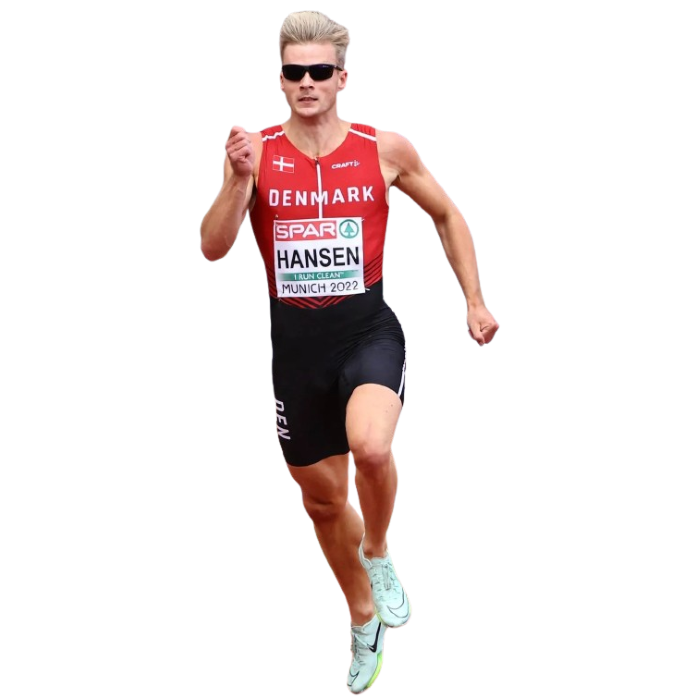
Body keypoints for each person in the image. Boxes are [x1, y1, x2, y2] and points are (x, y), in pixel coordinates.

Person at [199, 10, 500, 695]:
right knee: (322, 502)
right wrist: (236, 181)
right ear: (281, 81)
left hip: (367, 331)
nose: (306, 82)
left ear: (342, 79)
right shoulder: (254, 151)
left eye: (319, 71)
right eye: (293, 72)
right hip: (294, 349)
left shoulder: (384, 148)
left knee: (369, 445)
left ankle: (378, 549)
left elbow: (447, 213)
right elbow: (213, 248)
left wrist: (474, 300)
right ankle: (362, 618)